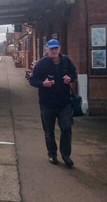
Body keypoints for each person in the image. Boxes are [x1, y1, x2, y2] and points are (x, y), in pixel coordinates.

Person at [28, 39, 77, 168]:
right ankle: (52, 154)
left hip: (64, 103)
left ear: (59, 49)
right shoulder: (41, 64)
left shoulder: (66, 61)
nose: (54, 51)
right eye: (51, 49)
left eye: (56, 48)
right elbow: (32, 80)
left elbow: (74, 73)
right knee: (49, 131)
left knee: (66, 128)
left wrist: (70, 78)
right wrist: (42, 84)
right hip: (47, 103)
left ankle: (66, 155)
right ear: (46, 50)